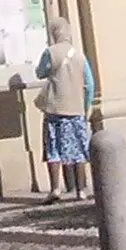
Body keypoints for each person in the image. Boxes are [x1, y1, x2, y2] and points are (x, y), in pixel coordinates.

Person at [36, 15, 96, 203]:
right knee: (78, 150)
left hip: (55, 109)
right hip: (76, 110)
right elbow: (90, 84)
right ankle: (81, 189)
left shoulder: (50, 53)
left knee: (54, 149)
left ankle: (55, 188)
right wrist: (85, 108)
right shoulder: (79, 55)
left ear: (53, 33)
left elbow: (40, 73)